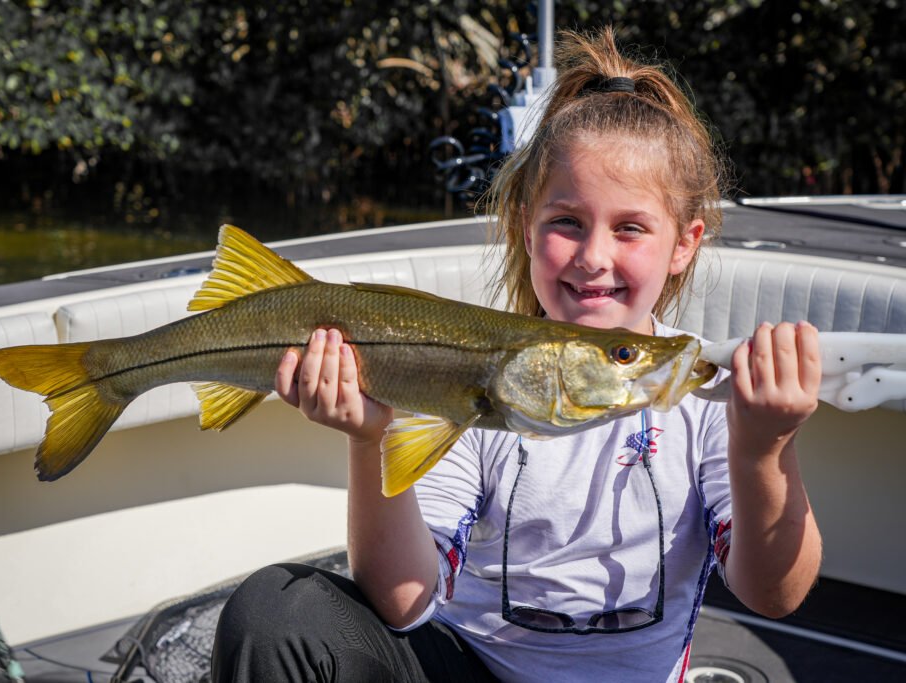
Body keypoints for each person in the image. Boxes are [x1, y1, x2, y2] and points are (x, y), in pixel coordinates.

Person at [211, 26, 822, 682]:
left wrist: (765, 448)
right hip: (467, 667)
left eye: (630, 228)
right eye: (567, 222)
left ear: (684, 242)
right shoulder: (477, 380)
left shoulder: (704, 393)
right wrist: (369, 439)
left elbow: (775, 593)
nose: (593, 256)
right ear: (526, 226)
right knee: (272, 611)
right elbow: (403, 601)